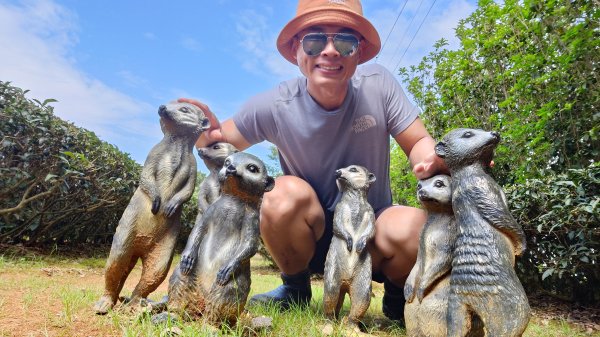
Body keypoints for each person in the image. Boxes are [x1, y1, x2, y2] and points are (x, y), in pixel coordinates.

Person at [181, 0, 446, 322]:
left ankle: (397, 297)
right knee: (278, 194)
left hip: (368, 231)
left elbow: (418, 141)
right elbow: (218, 143)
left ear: (360, 51)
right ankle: (295, 287)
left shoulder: (379, 84)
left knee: (414, 226)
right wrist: (200, 130)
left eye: (345, 41)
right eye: (316, 40)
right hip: (311, 233)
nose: (330, 51)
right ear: (296, 50)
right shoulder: (273, 105)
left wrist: (436, 160)